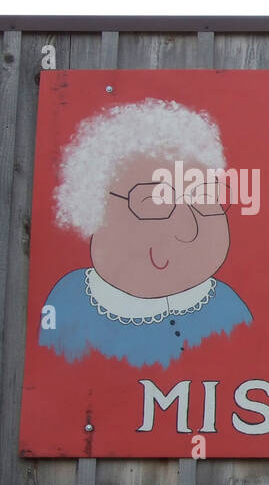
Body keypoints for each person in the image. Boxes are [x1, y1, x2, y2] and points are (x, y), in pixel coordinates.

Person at [40, 99, 252, 368]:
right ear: (94, 206)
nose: (188, 229)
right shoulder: (72, 299)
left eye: (203, 198)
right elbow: (56, 378)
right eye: (152, 202)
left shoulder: (224, 304)